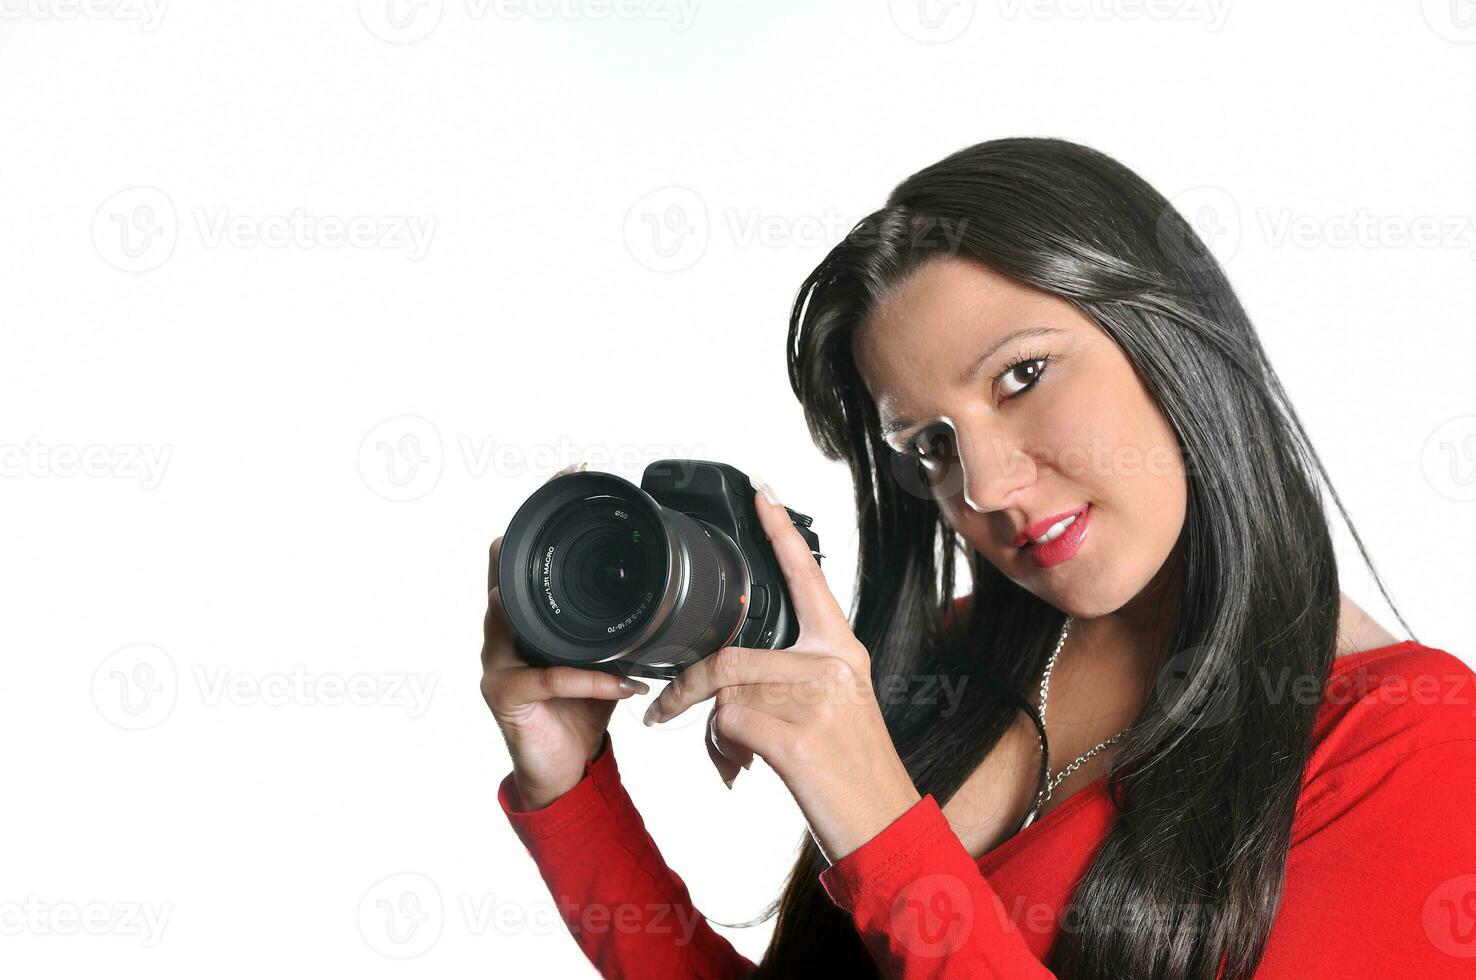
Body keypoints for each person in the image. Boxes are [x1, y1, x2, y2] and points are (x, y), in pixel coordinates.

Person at [480, 137, 1476, 978]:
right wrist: (570, 788)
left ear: (1172, 334)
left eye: (1023, 375)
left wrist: (875, 815)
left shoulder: (1410, 744)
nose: (987, 485)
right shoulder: (953, 659)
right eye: (929, 445)